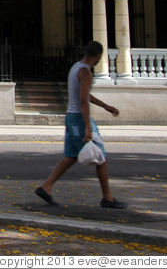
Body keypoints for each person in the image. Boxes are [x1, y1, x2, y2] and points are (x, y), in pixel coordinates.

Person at [35, 40, 128, 209]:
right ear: (99, 56)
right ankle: (107, 197)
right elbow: (84, 101)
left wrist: (105, 106)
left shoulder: (76, 67)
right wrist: (87, 126)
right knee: (101, 157)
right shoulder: (86, 73)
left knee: (71, 156)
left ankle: (46, 187)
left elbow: (84, 95)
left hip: (71, 116)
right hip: (79, 118)